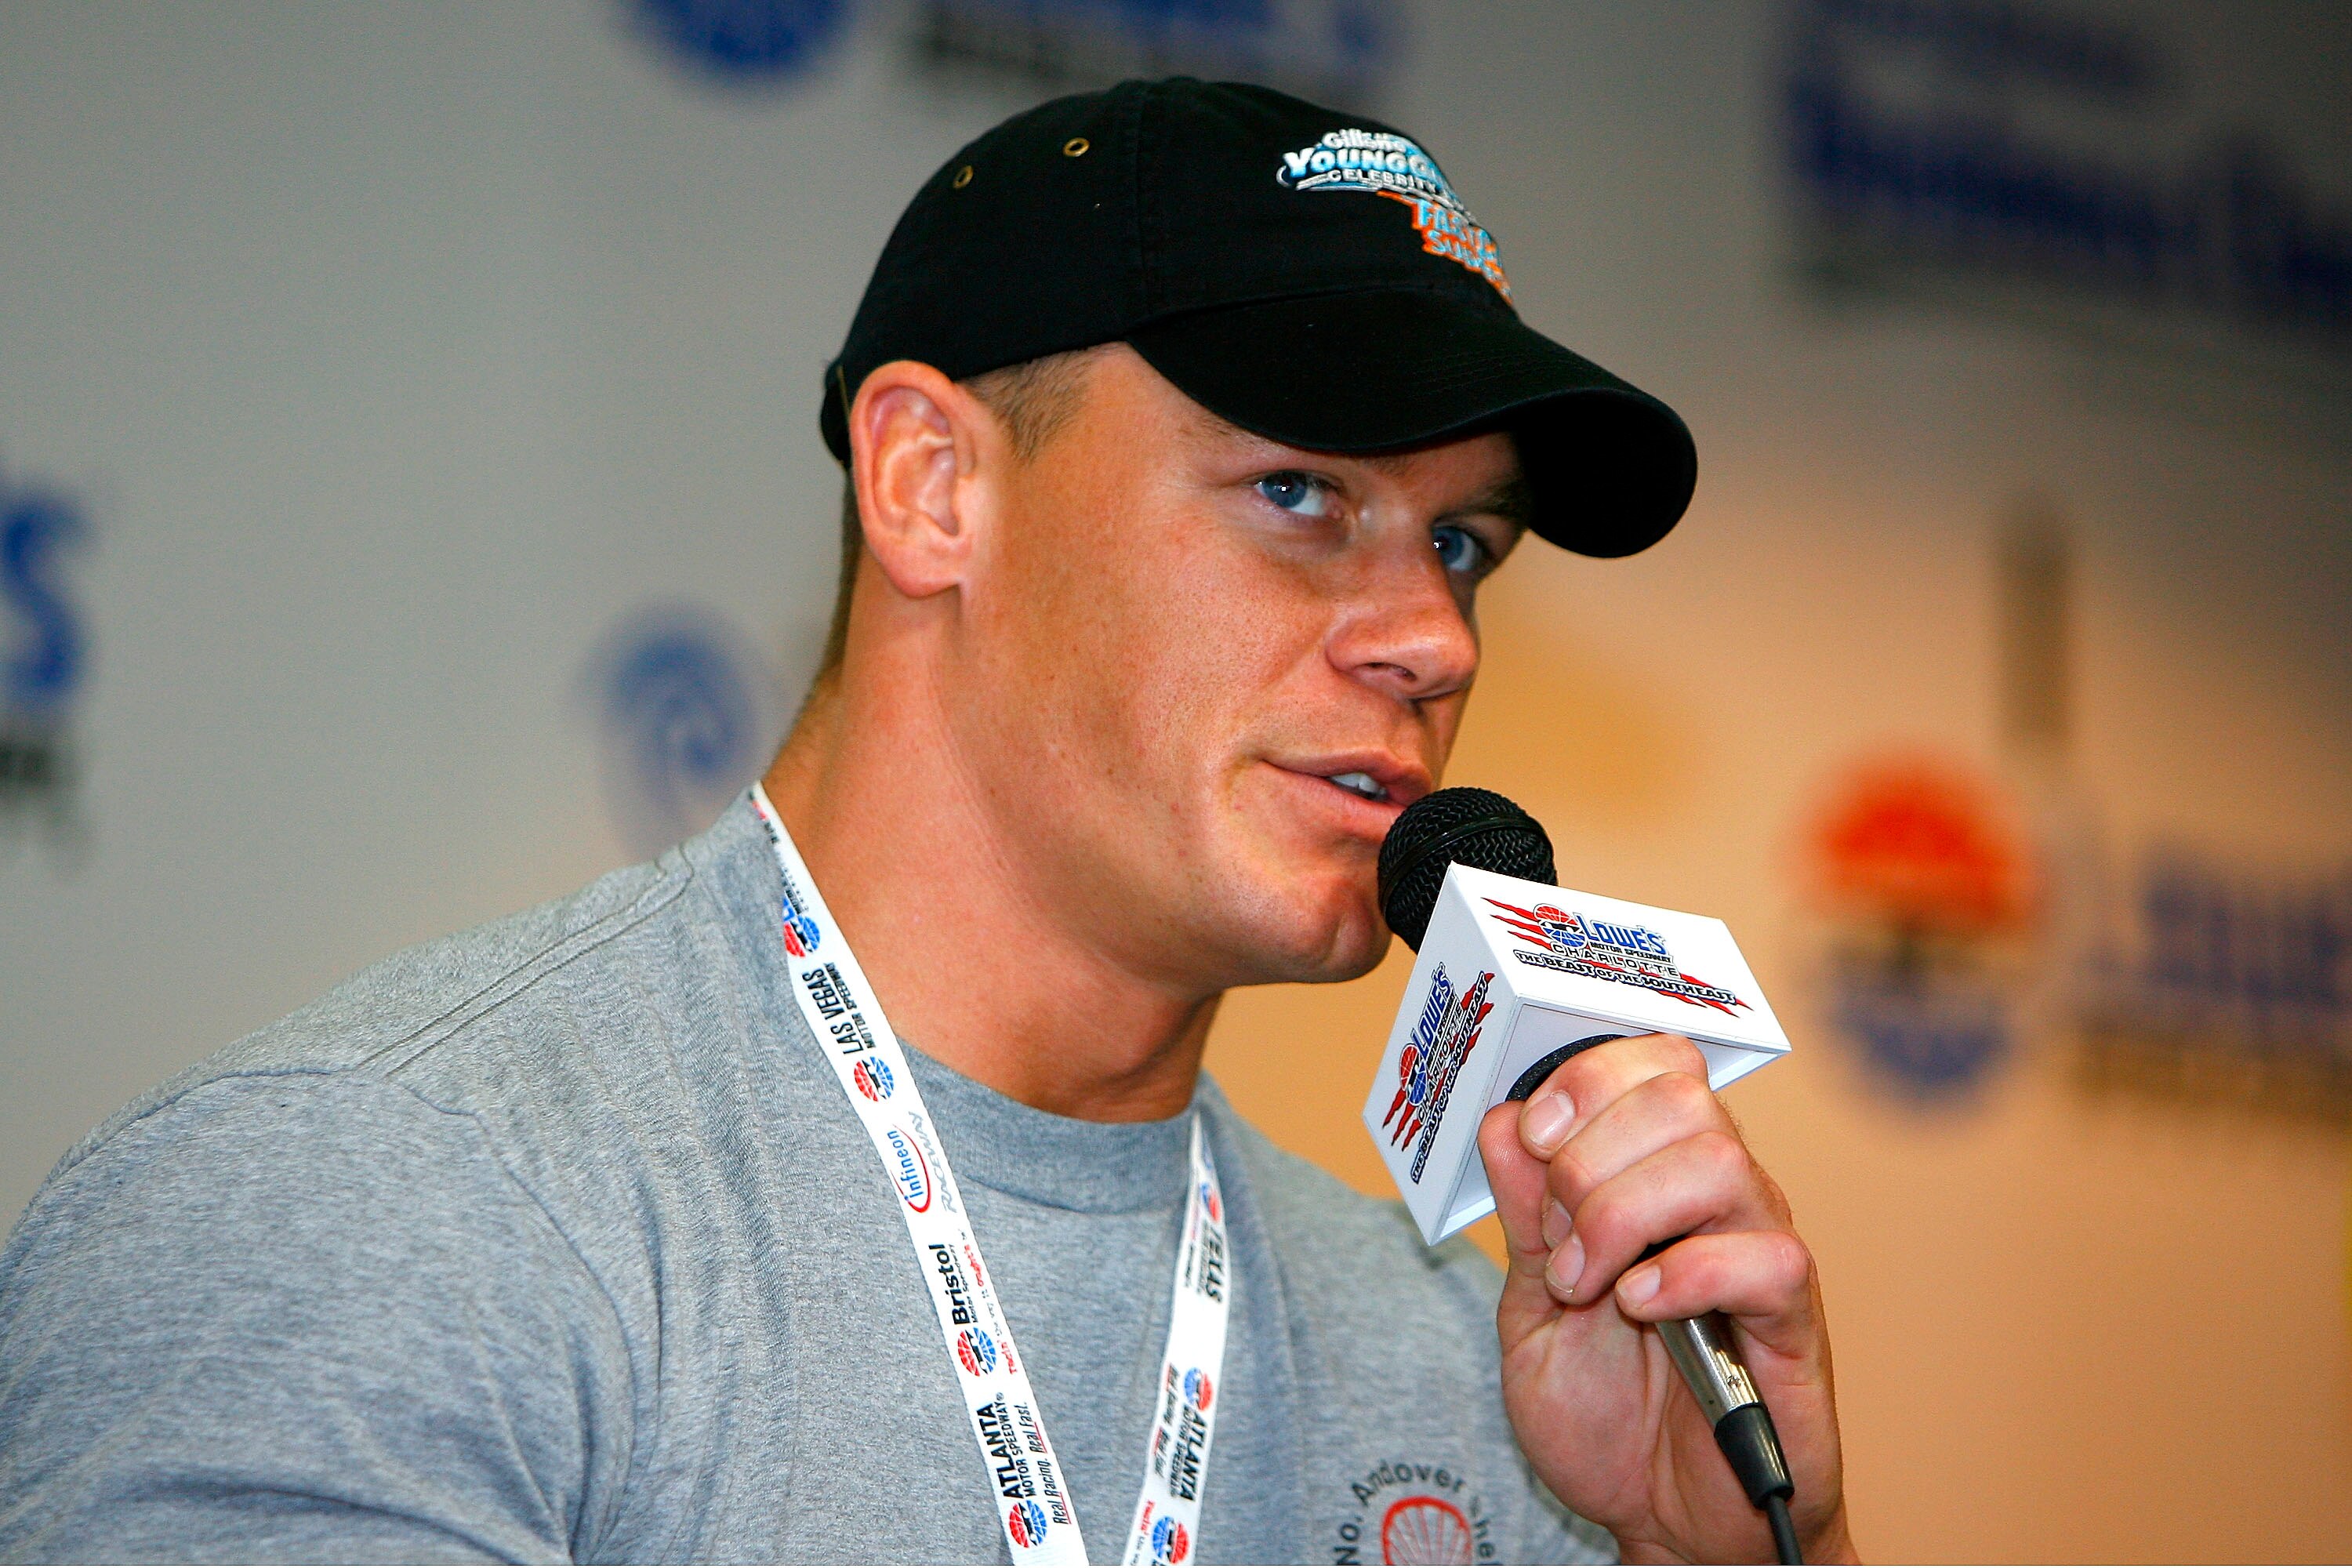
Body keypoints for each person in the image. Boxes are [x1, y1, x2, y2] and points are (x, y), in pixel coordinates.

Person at [0, 79, 1854, 1566]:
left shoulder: (1500, 1370)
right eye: (1299, 489)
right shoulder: (385, 1207)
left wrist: (1739, 1556)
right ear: (930, 481)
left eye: (1463, 542)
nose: (1435, 635)